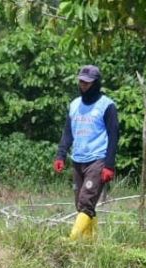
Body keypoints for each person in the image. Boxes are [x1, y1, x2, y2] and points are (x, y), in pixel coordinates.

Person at [55, 65, 119, 240]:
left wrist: (109, 165)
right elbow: (68, 133)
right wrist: (61, 154)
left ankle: (71, 240)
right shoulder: (74, 105)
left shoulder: (107, 106)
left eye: (87, 82)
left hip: (97, 160)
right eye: (81, 81)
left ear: (96, 83)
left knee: (86, 202)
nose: (83, 85)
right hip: (78, 160)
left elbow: (114, 136)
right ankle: (91, 243)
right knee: (81, 205)